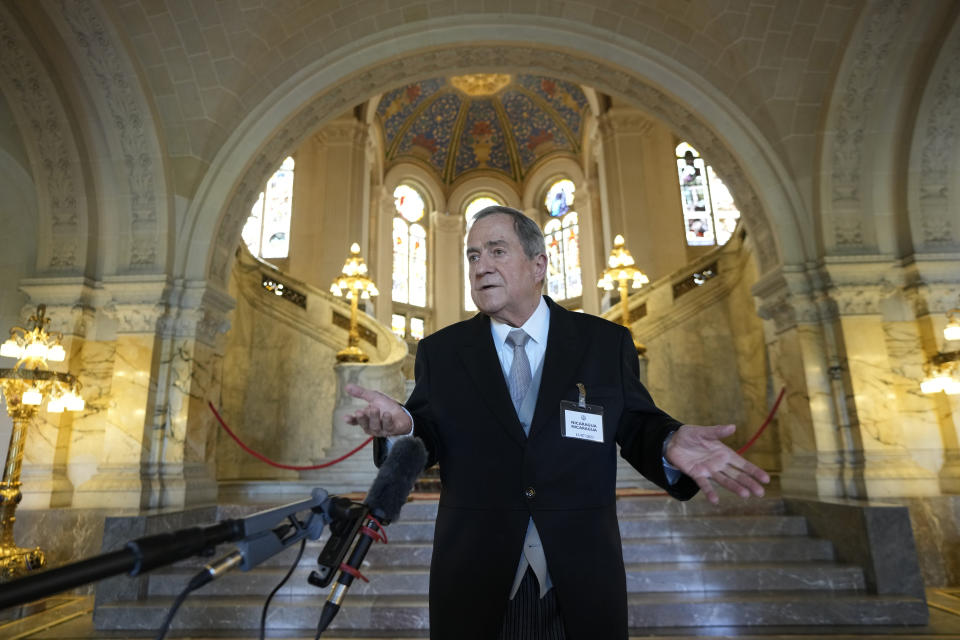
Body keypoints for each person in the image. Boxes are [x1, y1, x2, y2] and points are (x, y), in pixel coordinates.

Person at [344, 206, 769, 640]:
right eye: (473, 256)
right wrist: (406, 427)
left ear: (538, 265)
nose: (481, 267)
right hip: (474, 579)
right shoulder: (442, 351)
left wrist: (669, 441)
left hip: (582, 582)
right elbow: (429, 433)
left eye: (496, 251)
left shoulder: (604, 344)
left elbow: (637, 423)